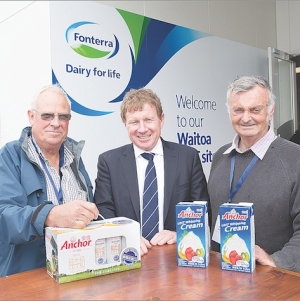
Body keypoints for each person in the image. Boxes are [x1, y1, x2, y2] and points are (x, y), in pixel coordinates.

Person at [94, 88, 210, 256]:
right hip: (129, 257)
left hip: (177, 257)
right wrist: (125, 235)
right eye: (134, 122)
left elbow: (202, 208)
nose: (142, 129)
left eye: (148, 120)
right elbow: (103, 210)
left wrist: (181, 235)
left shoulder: (188, 157)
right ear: (125, 124)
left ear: (161, 120)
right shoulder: (108, 162)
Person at [0, 84, 99, 277]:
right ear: (31, 116)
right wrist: (49, 215)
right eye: (47, 116)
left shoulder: (74, 158)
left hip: (77, 272)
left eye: (63, 116)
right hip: (29, 277)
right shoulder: (10, 156)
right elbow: (4, 217)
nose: (56, 123)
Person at [208, 75, 300, 272]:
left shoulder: (295, 158)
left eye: (255, 110)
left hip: (272, 281)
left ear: (270, 111)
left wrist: (278, 261)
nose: (246, 117)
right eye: (238, 110)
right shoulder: (219, 157)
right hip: (220, 278)